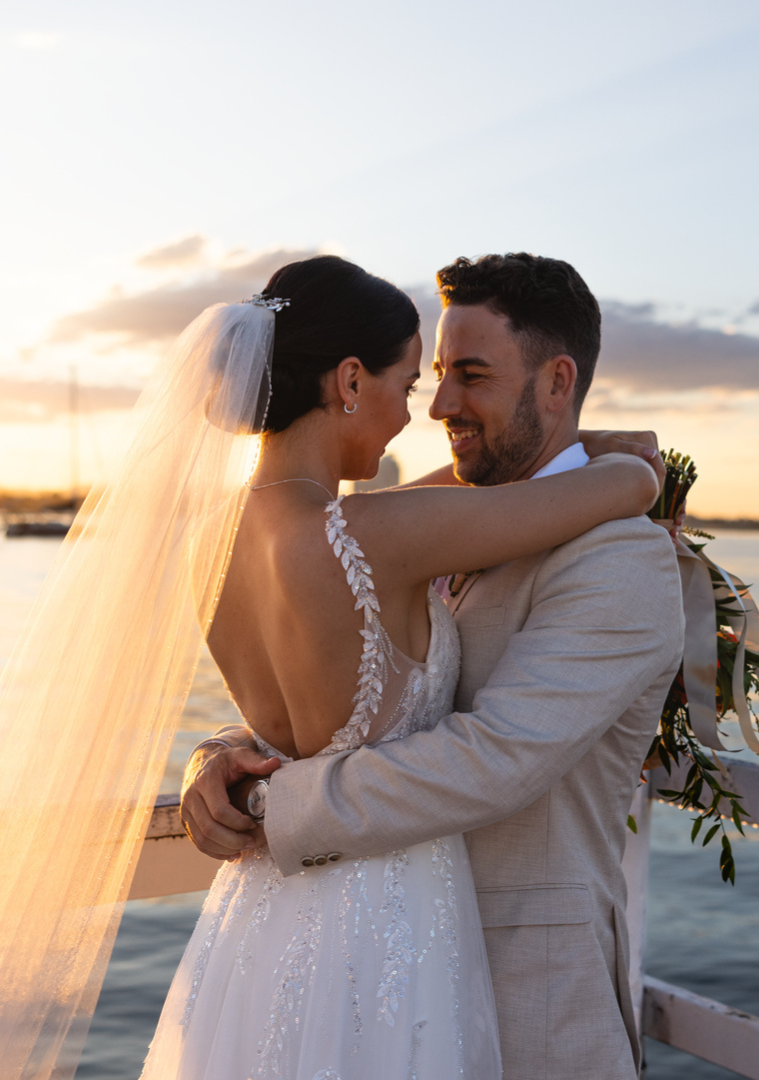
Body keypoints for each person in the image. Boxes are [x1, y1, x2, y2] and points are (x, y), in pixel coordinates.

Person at [139, 254, 667, 1079]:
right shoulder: (392, 533)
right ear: (348, 381)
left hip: (518, 996)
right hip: (389, 951)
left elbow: (495, 755)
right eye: (425, 379)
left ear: (557, 383)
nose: (436, 408)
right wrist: (220, 758)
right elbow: (353, 683)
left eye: (469, 376)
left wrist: (268, 797)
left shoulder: (617, 560)